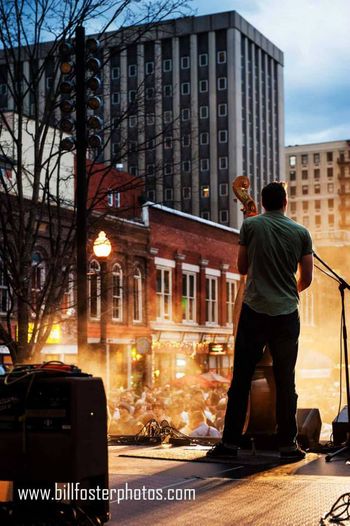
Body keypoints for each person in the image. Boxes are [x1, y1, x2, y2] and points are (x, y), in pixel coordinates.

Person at [207, 182, 313, 461]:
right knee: (285, 381)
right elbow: (307, 278)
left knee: (240, 379)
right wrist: (288, 293)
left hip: (255, 311)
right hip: (287, 314)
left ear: (263, 203)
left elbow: (242, 268)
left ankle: (230, 444)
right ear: (286, 202)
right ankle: (288, 445)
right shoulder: (301, 232)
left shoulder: (251, 227)